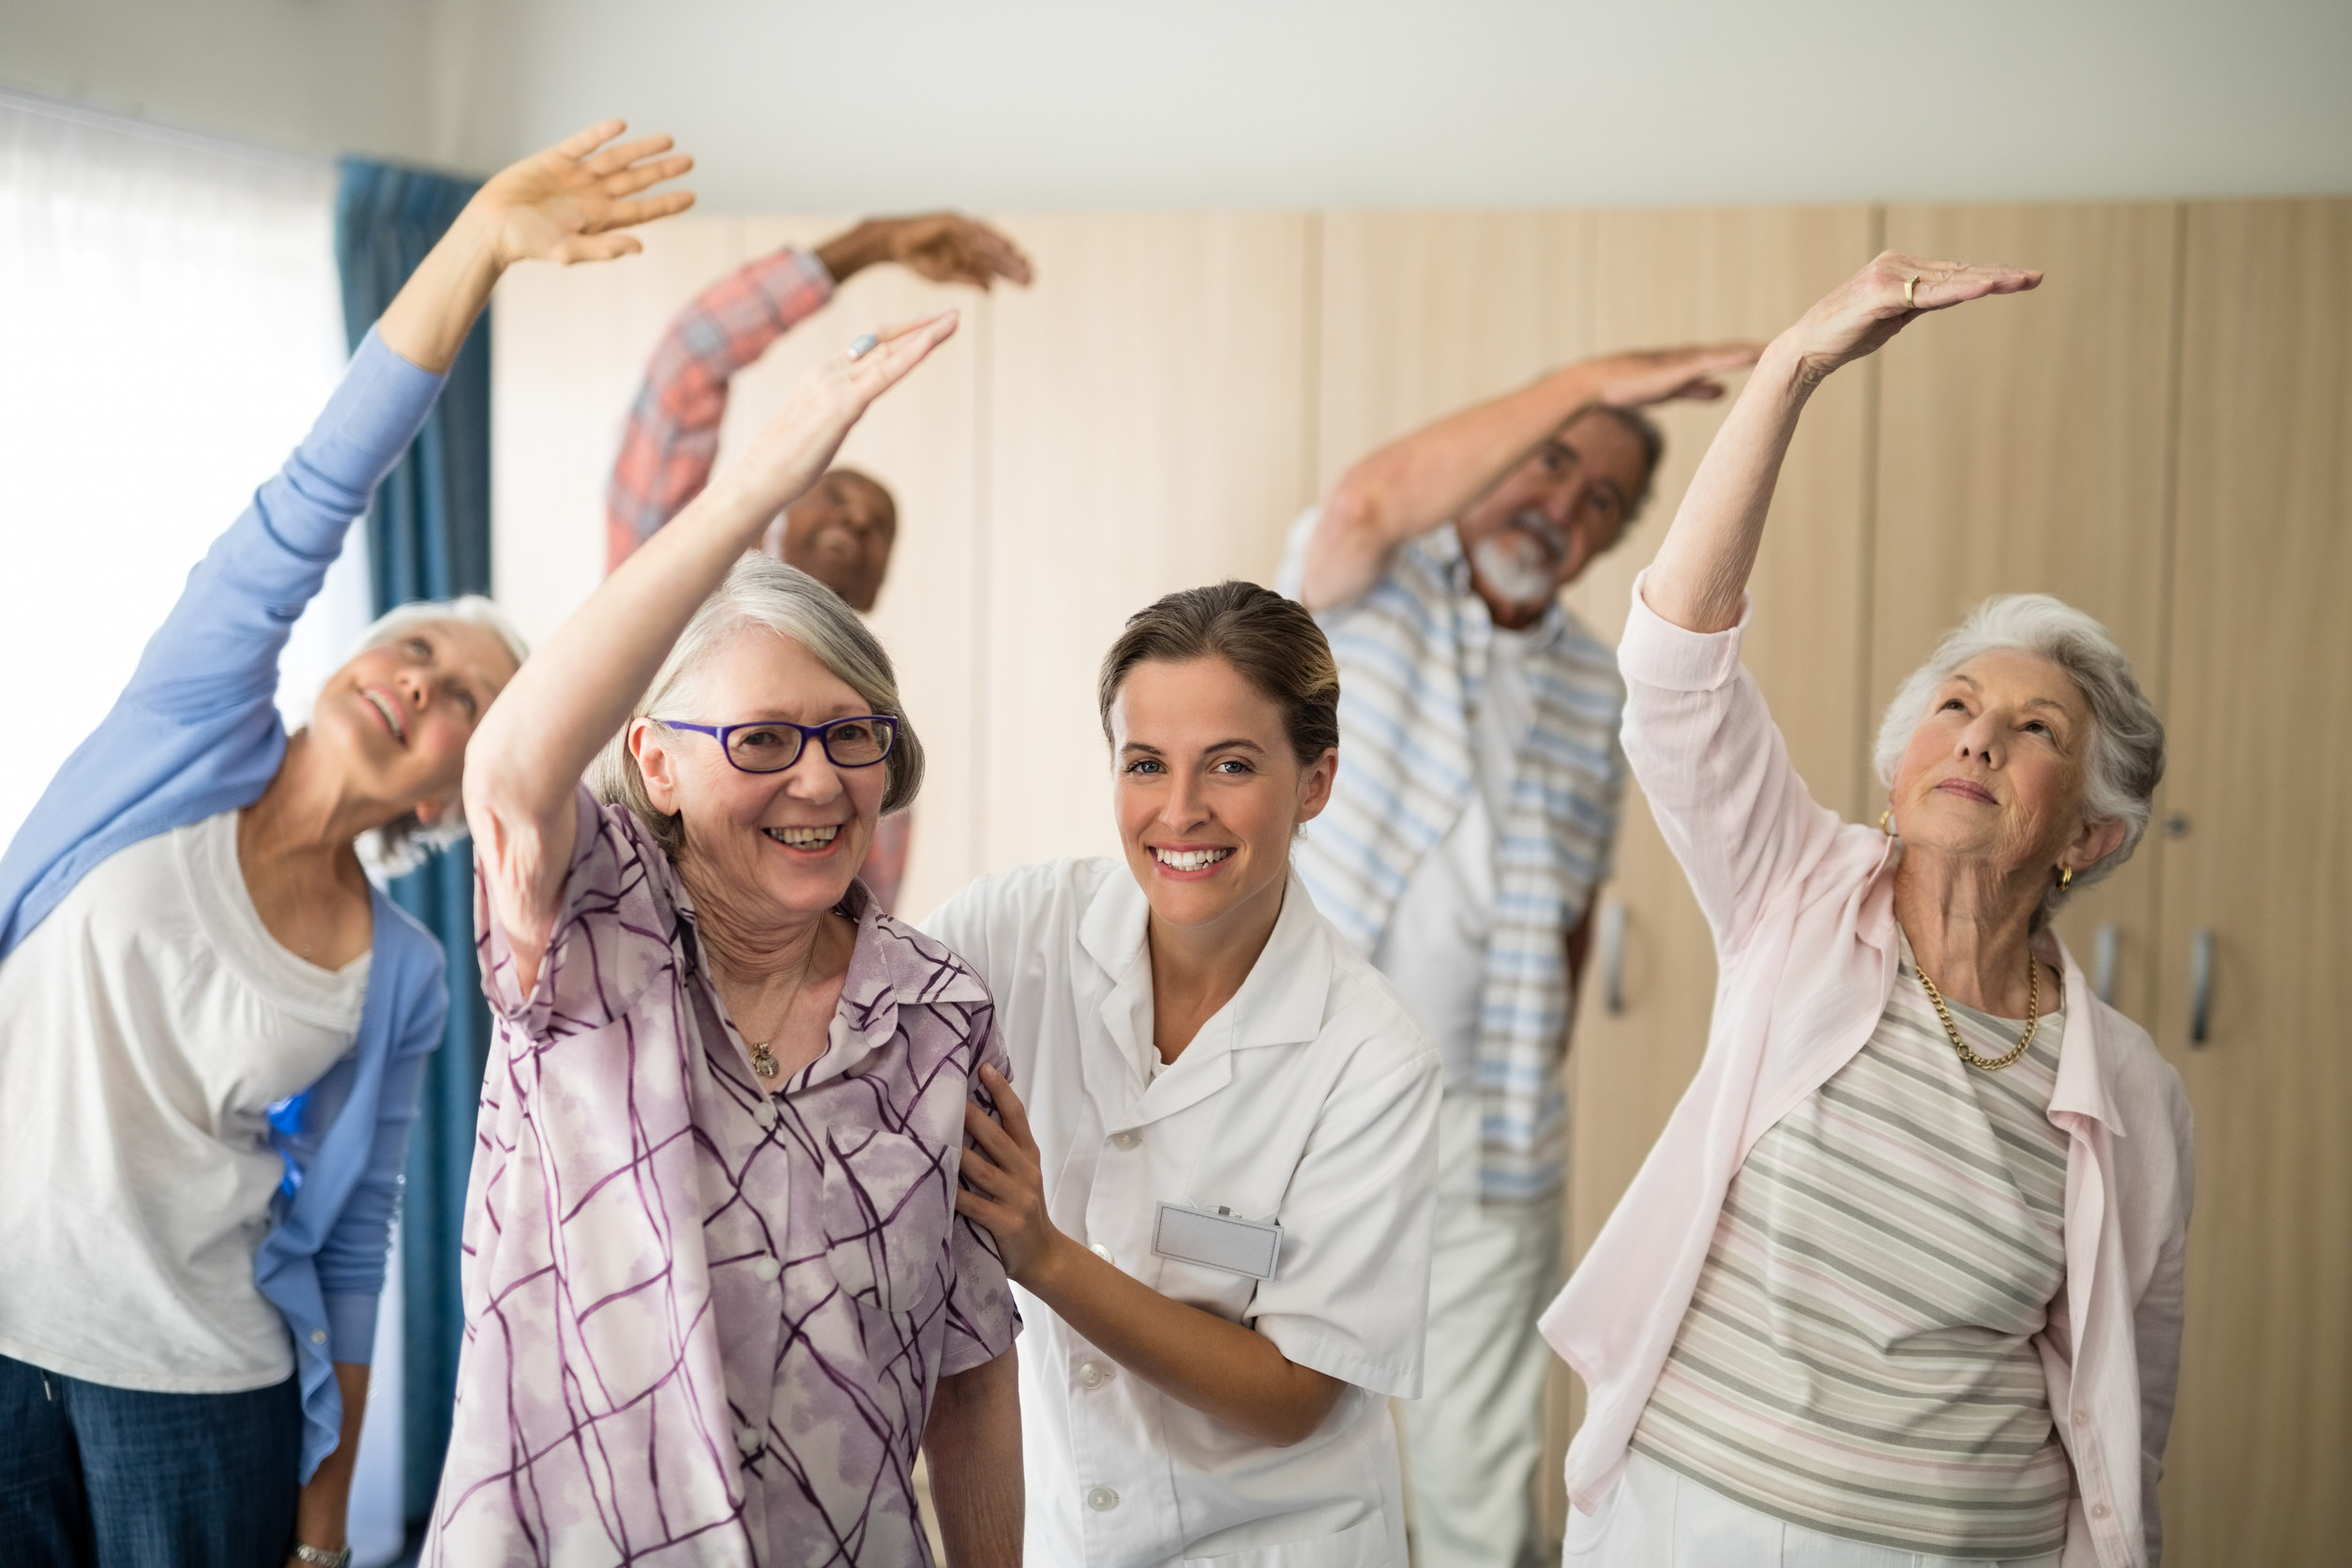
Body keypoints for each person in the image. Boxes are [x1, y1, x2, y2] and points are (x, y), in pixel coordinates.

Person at [0, 121, 692, 1566]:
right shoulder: (176, 735)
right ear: (347, 656)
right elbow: (313, 492)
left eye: (467, 704)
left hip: (199, 1397)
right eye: (415, 647)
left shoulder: (407, 975)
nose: (422, 683)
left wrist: (327, 1513)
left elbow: (354, 1239)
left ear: (458, 792)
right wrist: (483, 240)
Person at [1541, 252, 2193, 1568]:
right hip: (1694, 1522)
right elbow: (1673, 670)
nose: (1978, 739)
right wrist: (1791, 370)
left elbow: (2125, 1406)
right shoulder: (1799, 897)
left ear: (2090, 832)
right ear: (1899, 772)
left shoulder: (2127, 1091)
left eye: (2033, 728)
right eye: (1954, 706)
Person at [430, 309, 1020, 1567]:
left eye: (851, 735)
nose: (817, 783)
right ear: (655, 761)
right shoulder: (591, 936)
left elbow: (972, 1373)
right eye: (760, 740)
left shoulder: (940, 1016)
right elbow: (512, 761)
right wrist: (764, 482)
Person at [1277, 339, 1757, 1566]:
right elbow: (1368, 501)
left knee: (1480, 1493)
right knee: (1270, 1468)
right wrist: (1596, 384)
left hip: (1485, 1144)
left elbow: (1577, 904)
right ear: (1492, 459)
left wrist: (1537, 1055)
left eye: (1599, 503)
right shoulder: (1356, 592)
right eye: (1548, 468)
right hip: (1295, 1115)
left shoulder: (1596, 688)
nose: (1561, 510)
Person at [925, 582, 1443, 1567]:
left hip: (1271, 1540)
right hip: (1065, 1532)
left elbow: (1293, 1393)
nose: (1180, 811)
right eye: (1147, 764)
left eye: (1232, 765)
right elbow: (850, 1000)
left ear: (1315, 782)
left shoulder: (1372, 1057)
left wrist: (1044, 1253)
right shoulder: (1014, 934)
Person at [608, 213, 1033, 912]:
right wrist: (871, 243)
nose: (856, 521)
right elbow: (685, 366)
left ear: (877, 586)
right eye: (834, 496)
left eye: (878, 529)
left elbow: (863, 927)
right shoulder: (667, 605)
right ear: (775, 514)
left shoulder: (870, 750)